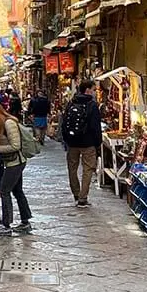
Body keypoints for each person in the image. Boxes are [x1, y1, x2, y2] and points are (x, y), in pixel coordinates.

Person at [0, 100, 32, 236]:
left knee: (4, 191)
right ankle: (25, 221)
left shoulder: (9, 123)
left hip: (15, 163)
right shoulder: (1, 124)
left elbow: (16, 145)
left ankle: (6, 224)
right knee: (17, 191)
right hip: (13, 162)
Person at [60, 79, 103, 207]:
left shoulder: (71, 102)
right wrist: (97, 142)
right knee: (88, 169)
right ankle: (83, 198)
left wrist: (67, 139)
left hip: (72, 143)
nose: (95, 92)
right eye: (94, 90)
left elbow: (64, 122)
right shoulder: (92, 105)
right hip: (88, 143)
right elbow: (96, 127)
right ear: (88, 90)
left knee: (72, 169)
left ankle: (76, 194)